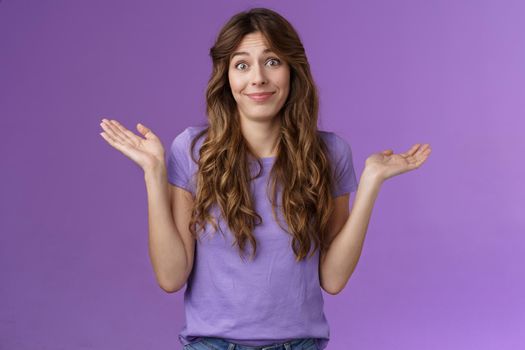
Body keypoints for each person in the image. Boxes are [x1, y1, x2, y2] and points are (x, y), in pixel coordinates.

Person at [99, 7, 431, 350]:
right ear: (226, 77)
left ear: (292, 70)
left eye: (272, 61)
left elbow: (332, 280)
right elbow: (170, 278)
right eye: (242, 64)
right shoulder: (192, 151)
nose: (257, 78)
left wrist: (371, 183)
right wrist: (154, 174)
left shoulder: (330, 154)